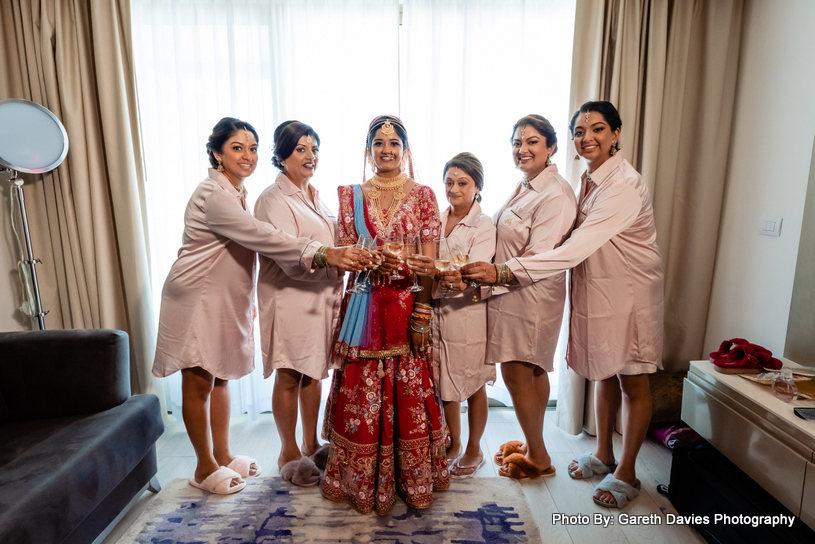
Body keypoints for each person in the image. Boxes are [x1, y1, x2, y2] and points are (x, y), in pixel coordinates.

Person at [153, 117, 369, 495]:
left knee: (220, 376)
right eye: (237, 148)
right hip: (196, 295)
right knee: (199, 378)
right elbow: (263, 236)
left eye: (252, 148)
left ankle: (222, 453)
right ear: (217, 153)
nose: (247, 155)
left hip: (226, 296)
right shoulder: (214, 195)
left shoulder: (238, 193)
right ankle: (204, 467)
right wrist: (323, 253)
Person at [465, 101, 664, 509]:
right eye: (580, 131)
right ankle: (604, 453)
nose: (587, 137)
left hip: (630, 292)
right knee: (603, 372)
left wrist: (502, 274)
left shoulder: (623, 185)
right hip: (597, 288)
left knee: (632, 376)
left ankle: (626, 471)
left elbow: (575, 247)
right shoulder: (589, 180)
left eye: (598, 129)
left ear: (616, 134)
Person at [321, 115, 449, 515]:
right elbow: (345, 256)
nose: (387, 150)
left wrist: (423, 313)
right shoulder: (350, 196)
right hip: (364, 307)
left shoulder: (424, 195)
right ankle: (360, 481)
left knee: (408, 388)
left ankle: (410, 480)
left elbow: (430, 263)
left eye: (394, 143)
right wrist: (366, 262)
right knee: (361, 390)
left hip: (406, 305)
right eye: (379, 142)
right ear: (369, 149)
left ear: (406, 149)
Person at [461, 114, 576, 480]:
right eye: (516, 142)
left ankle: (539, 458)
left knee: (517, 370)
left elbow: (540, 253)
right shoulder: (528, 185)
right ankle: (532, 442)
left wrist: (493, 274)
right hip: (514, 291)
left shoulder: (554, 194)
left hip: (531, 295)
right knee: (534, 369)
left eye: (531, 142)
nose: (522, 149)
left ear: (551, 147)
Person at [254, 120, 341, 487]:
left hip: (319, 300)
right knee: (290, 373)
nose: (310, 156)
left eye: (314, 149)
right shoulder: (272, 200)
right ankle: (288, 450)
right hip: (290, 297)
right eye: (301, 149)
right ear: (282, 155)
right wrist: (335, 258)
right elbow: (289, 252)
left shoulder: (315, 196)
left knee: (314, 371)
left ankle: (311, 441)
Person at [428, 152, 496, 478]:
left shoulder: (483, 224)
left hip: (467, 314)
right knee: (445, 384)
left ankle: (474, 448)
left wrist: (458, 276)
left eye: (462, 182)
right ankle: (453, 443)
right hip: (438, 314)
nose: (454, 189)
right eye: (449, 182)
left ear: (477, 186)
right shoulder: (435, 221)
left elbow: (477, 270)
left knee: (473, 384)